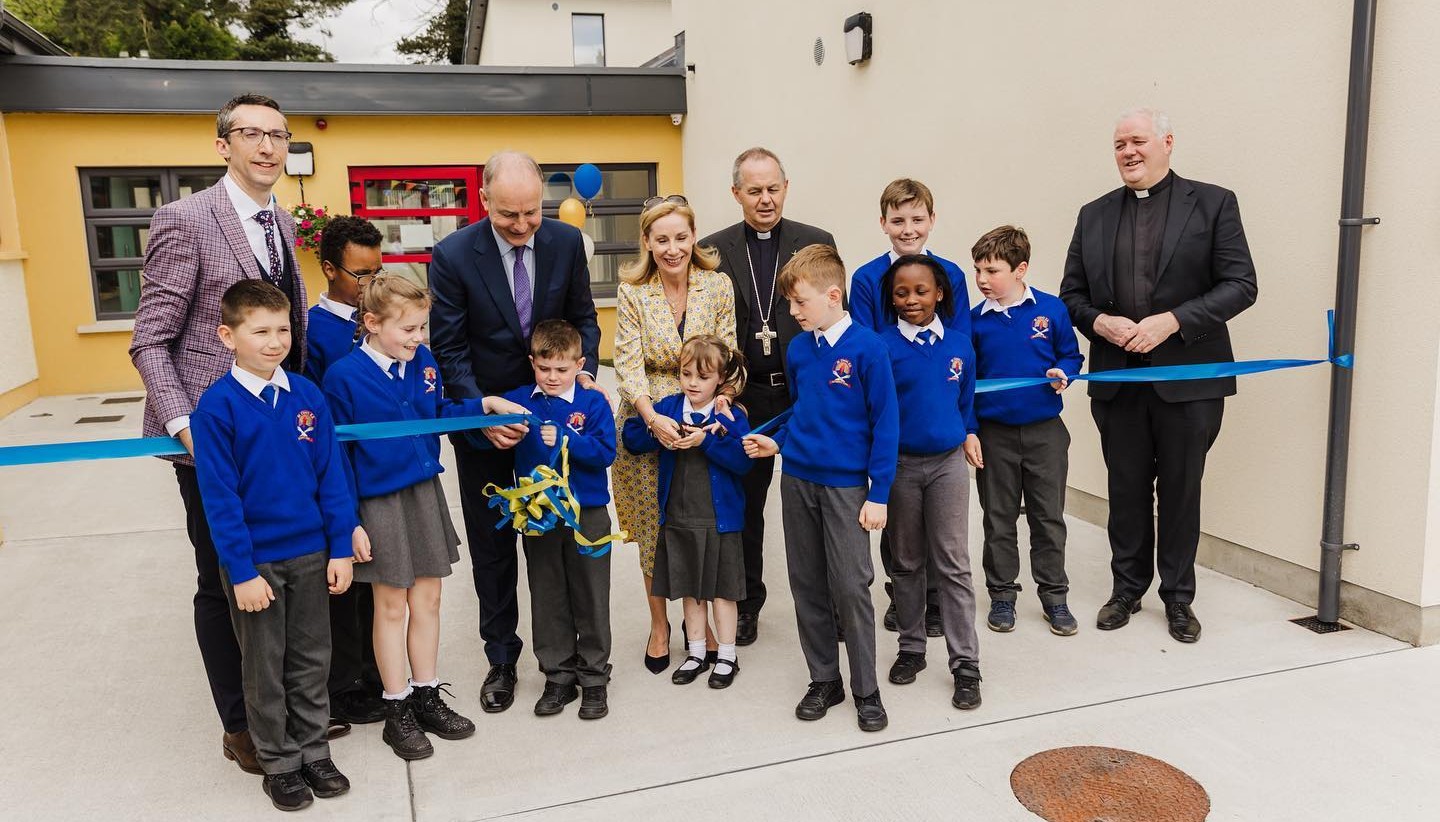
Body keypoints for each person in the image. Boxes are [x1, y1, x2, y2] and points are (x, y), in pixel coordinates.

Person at [130, 92, 309, 773]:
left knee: (274, 568)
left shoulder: (282, 223)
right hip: (210, 443)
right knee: (223, 578)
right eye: (251, 134)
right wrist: (187, 428)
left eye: (277, 135)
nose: (267, 146)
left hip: (275, 434)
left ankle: (281, 708)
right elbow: (151, 340)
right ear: (223, 145)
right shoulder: (185, 219)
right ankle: (240, 727)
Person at [1059, 108, 1258, 643]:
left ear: (1167, 143)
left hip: (1189, 380)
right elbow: (1070, 296)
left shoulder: (1214, 203)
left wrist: (1172, 321)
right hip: (1118, 379)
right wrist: (1099, 321)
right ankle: (1126, 589)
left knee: (1180, 489)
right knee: (1124, 489)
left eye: (1139, 141)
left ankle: (1178, 598)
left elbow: (1240, 284)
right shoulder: (1093, 214)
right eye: (1120, 143)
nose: (1129, 152)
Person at [428, 151, 603, 713]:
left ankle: (575, 661)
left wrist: (585, 376)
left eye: (532, 212)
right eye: (510, 215)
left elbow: (584, 319)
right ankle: (501, 659)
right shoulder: (452, 256)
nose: (524, 225)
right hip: (487, 429)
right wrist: (484, 412)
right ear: (485, 201)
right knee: (495, 550)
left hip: (555, 424)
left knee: (560, 549)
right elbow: (449, 348)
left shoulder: (565, 244)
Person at [324, 274, 516, 760]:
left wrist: (483, 406)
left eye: (422, 328)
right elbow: (336, 459)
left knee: (427, 599)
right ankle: (397, 707)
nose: (418, 338)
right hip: (377, 502)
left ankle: (427, 693)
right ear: (371, 323)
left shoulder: (423, 362)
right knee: (391, 606)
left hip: (423, 493)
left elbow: (439, 411)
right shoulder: (342, 377)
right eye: (408, 329)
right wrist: (348, 523)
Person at [190, 280, 362, 812]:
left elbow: (332, 474)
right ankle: (279, 761)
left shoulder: (307, 395)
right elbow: (220, 500)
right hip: (257, 563)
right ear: (228, 335)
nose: (274, 341)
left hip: (312, 553)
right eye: (259, 330)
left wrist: (339, 545)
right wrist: (240, 572)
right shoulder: (216, 408)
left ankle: (313, 750)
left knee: (312, 658)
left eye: (283, 329)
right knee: (264, 663)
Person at [743, 244, 898, 732]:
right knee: (806, 581)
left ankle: (866, 688)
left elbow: (886, 424)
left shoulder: (869, 349)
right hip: (798, 481)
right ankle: (824, 678)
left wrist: (880, 493)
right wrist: (777, 442)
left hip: (846, 488)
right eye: (790, 304)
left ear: (834, 295)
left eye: (799, 303)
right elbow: (804, 411)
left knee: (851, 586)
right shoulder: (798, 350)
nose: (792, 312)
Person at [700, 147, 837, 647]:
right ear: (736, 193)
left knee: (821, 501)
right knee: (747, 508)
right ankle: (748, 602)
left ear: (786, 186)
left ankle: (831, 603)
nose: (765, 199)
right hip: (747, 397)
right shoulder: (713, 251)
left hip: (805, 398)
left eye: (773, 188)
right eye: (754, 190)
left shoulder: (815, 242)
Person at [612, 197, 737, 674]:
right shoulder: (632, 292)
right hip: (650, 422)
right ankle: (660, 624)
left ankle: (701, 626)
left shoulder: (717, 285)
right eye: (661, 239)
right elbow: (625, 362)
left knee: (700, 521)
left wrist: (722, 399)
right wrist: (651, 418)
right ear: (647, 241)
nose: (672, 248)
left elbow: (731, 352)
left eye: (680, 237)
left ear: (694, 237)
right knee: (654, 529)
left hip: (706, 420)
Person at [848, 178, 972, 637]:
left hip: (936, 417)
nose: (908, 228)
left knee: (943, 530)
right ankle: (904, 598)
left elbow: (959, 348)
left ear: (932, 221)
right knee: (898, 524)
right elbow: (863, 344)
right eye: (898, 220)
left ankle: (937, 600)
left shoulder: (951, 275)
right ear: (883, 223)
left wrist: (964, 424)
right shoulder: (866, 279)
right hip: (890, 419)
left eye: (917, 219)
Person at [877, 255, 984, 710]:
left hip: (947, 466)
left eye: (921, 291)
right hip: (901, 466)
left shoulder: (960, 345)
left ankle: (966, 664)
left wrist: (969, 432)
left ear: (939, 293)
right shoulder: (882, 347)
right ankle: (912, 647)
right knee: (905, 560)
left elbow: (964, 402)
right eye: (901, 293)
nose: (911, 300)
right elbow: (879, 412)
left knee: (953, 562)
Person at [499, 320, 618, 719]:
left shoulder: (593, 402)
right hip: (539, 513)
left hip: (587, 512)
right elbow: (488, 425)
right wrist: (498, 422)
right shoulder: (519, 401)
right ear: (532, 362)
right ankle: (558, 675)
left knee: (591, 593)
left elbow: (606, 452)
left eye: (562, 369)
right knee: (547, 592)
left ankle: (595, 677)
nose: (552, 377)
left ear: (579, 364)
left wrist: (568, 439)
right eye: (544, 368)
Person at [970, 226, 1084, 637]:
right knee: (998, 519)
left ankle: (1055, 596)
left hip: (1045, 434)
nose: (982, 279)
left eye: (992, 270)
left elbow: (1072, 354)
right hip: (994, 434)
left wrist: (1064, 373)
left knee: (1048, 518)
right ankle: (1002, 595)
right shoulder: (973, 322)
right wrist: (970, 431)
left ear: (1021, 270)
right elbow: (964, 382)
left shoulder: (1051, 310)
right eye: (978, 270)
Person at [623, 336, 753, 689]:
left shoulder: (729, 415)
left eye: (703, 377)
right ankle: (696, 651)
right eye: (686, 374)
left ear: (721, 379)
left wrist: (707, 440)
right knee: (691, 592)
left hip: (719, 519)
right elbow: (631, 437)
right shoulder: (668, 407)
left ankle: (726, 654)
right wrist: (658, 428)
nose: (692, 383)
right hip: (679, 518)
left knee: (723, 592)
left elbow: (743, 461)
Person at [303, 214, 388, 729]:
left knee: (377, 575)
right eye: (362, 275)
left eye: (379, 271)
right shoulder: (313, 331)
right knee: (344, 580)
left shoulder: (380, 317)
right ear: (331, 269)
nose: (371, 284)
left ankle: (378, 671)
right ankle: (345, 684)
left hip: (380, 471)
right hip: (337, 472)